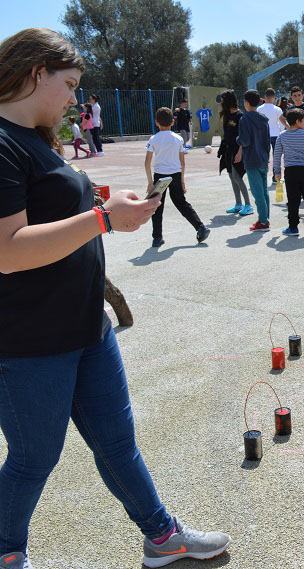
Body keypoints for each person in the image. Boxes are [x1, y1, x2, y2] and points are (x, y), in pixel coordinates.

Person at [0, 28, 231, 569]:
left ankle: (162, 537)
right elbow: (7, 251)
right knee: (34, 458)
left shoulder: (34, 136)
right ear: (38, 74)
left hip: (87, 328)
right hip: (31, 342)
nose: (74, 100)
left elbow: (53, 202)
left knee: (118, 444)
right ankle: (7, 552)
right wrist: (103, 219)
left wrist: (105, 197)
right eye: (70, 85)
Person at [146, 107, 209, 248]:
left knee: (157, 207)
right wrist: (182, 180)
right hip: (175, 175)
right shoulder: (179, 139)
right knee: (182, 203)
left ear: (156, 122)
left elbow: (147, 163)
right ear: (173, 122)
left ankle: (157, 238)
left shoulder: (153, 139)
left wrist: (150, 183)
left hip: (159, 176)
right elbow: (182, 162)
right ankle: (200, 227)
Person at [273, 107, 304, 236]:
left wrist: (277, 172)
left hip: (291, 171)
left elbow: (277, 155)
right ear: (298, 121)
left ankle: (293, 227)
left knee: (293, 199)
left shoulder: (282, 136)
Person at [238, 89, 272, 232]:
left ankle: (263, 221)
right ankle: (265, 218)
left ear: (246, 103)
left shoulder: (244, 119)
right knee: (264, 191)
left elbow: (245, 141)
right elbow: (267, 140)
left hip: (252, 159)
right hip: (263, 158)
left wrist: (238, 139)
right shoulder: (263, 119)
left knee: (257, 192)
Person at [217, 89, 252, 216]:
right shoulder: (226, 115)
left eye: (222, 101)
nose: (220, 103)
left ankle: (248, 205)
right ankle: (238, 204)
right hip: (228, 150)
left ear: (227, 101)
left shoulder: (240, 116)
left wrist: (240, 152)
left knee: (237, 177)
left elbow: (244, 136)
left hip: (238, 150)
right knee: (232, 177)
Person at [256, 88, 285, 185]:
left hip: (263, 135)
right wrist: (281, 131)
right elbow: (282, 123)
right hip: (276, 135)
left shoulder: (259, 109)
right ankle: (275, 177)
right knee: (276, 157)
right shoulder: (277, 109)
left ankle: (262, 177)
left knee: (263, 156)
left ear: (265, 97)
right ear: (274, 98)